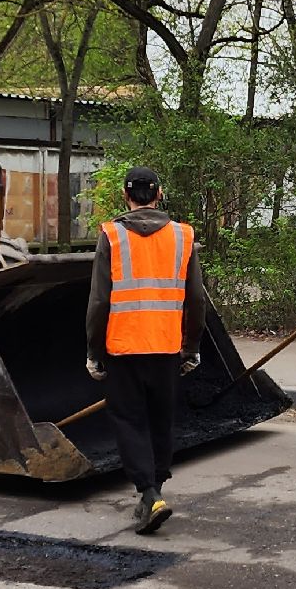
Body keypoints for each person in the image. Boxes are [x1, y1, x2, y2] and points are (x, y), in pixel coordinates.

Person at [85, 166, 208, 534]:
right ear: (159, 194)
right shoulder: (183, 236)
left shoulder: (112, 235)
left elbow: (99, 302)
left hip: (123, 347)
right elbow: (196, 299)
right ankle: (155, 490)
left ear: (125, 195)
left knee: (130, 420)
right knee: (160, 419)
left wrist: (94, 351)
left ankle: (149, 493)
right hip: (166, 346)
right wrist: (191, 346)